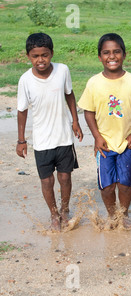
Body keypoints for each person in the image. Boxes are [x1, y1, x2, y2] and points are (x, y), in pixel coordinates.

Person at [78, 33, 131, 229]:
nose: (112, 56)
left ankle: (123, 215)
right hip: (105, 143)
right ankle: (111, 215)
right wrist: (97, 137)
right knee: (107, 186)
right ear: (100, 57)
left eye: (116, 52)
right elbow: (88, 112)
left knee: (125, 184)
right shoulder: (94, 82)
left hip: (127, 142)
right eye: (106, 53)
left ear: (124, 55)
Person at [16, 32, 83, 232]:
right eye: (35, 56)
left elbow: (69, 94)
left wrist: (75, 121)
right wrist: (21, 141)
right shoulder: (25, 80)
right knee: (46, 180)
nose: (40, 60)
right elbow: (22, 111)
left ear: (51, 53)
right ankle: (53, 214)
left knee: (65, 177)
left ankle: (64, 210)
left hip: (63, 137)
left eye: (44, 55)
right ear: (28, 56)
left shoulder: (62, 71)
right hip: (42, 141)